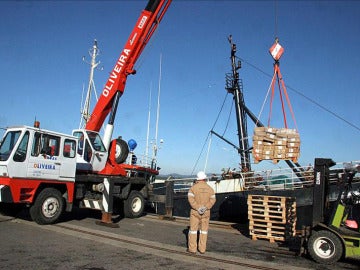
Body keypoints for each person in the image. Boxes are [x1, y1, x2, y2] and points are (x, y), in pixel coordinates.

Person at [187, 171, 216, 254]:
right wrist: (205, 207)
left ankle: (192, 249)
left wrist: (197, 207)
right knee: (204, 231)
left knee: (193, 230)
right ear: (205, 178)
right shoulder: (210, 189)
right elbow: (213, 199)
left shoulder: (193, 188)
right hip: (206, 212)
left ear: (198, 179)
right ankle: (202, 249)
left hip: (195, 212)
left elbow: (191, 199)